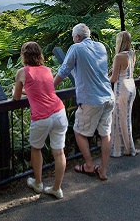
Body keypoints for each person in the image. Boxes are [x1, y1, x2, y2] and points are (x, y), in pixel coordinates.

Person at [53, 23, 115, 181]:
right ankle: (103, 170)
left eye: (73, 37)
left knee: (79, 132)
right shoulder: (101, 47)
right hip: (108, 96)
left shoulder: (76, 48)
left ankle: (88, 165)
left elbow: (64, 70)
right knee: (105, 133)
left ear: (77, 37)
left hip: (91, 99)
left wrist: (50, 87)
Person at [12, 41, 67, 199]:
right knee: (59, 152)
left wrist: (19, 92)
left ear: (24, 55)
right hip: (59, 112)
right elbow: (41, 90)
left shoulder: (22, 72)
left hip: (42, 117)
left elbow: (16, 97)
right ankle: (57, 188)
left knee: (36, 149)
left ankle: (38, 183)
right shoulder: (48, 70)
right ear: (39, 54)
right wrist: (26, 92)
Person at [110, 31, 137, 157]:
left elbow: (114, 78)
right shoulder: (132, 54)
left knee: (121, 118)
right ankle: (127, 146)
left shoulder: (119, 56)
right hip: (131, 85)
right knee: (126, 117)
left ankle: (126, 148)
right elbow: (127, 70)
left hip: (122, 89)